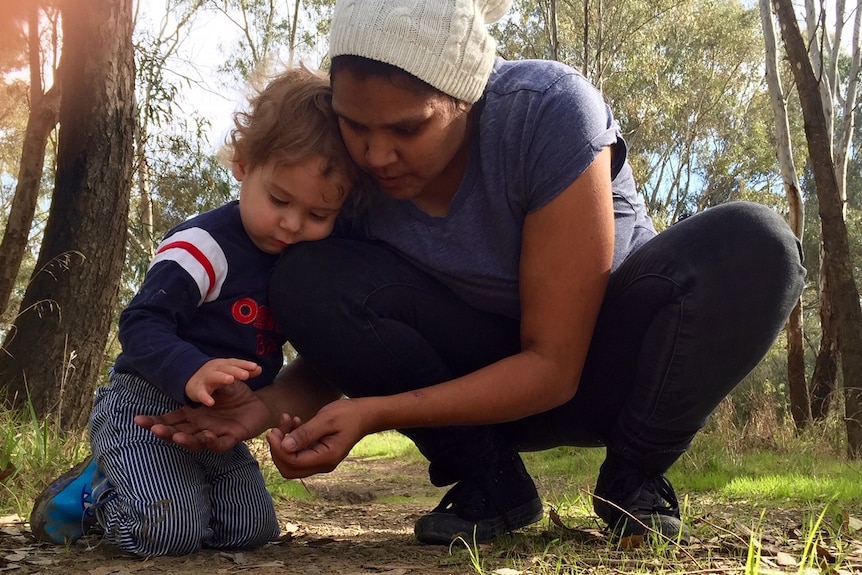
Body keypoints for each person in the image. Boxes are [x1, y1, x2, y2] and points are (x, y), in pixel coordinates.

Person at [137, 0, 806, 546]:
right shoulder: (352, 174)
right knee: (305, 273)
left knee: (758, 243)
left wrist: (374, 415)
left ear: (467, 97)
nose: (376, 153)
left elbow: (554, 364)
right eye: (354, 124)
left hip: (603, 367)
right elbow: (345, 328)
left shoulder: (547, 113)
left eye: (407, 127)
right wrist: (266, 408)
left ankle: (635, 475)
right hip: (471, 380)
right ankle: (488, 482)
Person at [29, 65, 361, 556]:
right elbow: (140, 322)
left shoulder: (305, 266)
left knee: (250, 531)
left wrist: (277, 410)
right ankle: (94, 494)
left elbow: (309, 359)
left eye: (318, 215)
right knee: (167, 532)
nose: (291, 224)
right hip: (143, 406)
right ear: (244, 163)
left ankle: (169, 490)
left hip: (218, 423)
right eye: (279, 199)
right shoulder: (204, 247)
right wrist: (193, 369)